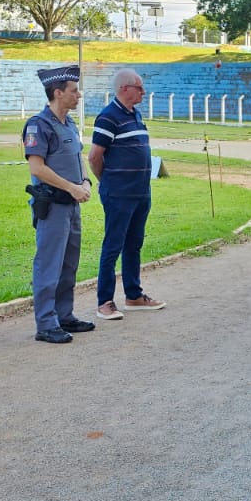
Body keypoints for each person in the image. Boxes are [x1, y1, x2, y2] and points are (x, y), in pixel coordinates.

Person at [24, 65, 96, 344]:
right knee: (49, 264)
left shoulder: (69, 124)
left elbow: (78, 158)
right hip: (53, 205)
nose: (78, 95)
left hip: (72, 204)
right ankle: (46, 323)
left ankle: (64, 315)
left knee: (69, 264)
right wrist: (72, 188)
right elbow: (37, 168)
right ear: (57, 93)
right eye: (73, 90)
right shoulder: (38, 125)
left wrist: (86, 183)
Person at [90, 68, 165, 319]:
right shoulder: (108, 117)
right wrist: (108, 182)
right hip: (119, 194)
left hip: (141, 193)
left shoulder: (136, 114)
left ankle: (133, 295)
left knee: (134, 245)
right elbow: (94, 157)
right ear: (124, 88)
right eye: (139, 87)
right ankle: (105, 302)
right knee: (113, 246)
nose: (143, 91)